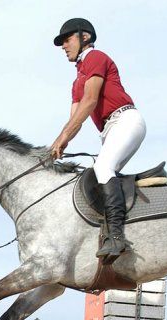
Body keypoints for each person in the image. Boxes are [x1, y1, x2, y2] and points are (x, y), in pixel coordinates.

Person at [50, 18, 146, 264]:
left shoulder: (95, 57)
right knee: (97, 177)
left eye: (67, 39)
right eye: (62, 42)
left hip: (125, 120)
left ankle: (116, 236)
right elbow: (75, 120)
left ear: (85, 37)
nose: (64, 46)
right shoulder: (77, 80)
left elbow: (91, 101)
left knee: (103, 168)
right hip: (110, 130)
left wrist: (62, 137)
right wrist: (57, 145)